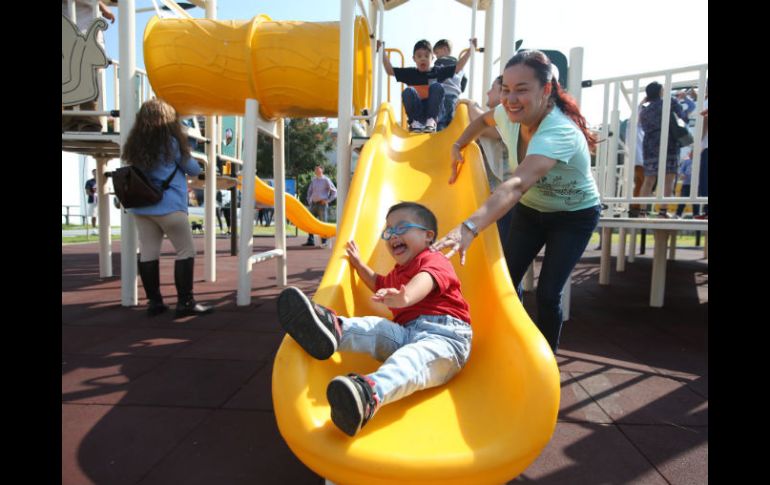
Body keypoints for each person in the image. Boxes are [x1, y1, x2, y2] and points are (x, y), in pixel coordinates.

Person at [433, 50, 602, 352]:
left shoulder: (559, 130)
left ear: (546, 90)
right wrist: (458, 144)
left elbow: (516, 184)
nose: (510, 99)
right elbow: (483, 119)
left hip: (573, 217)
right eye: (506, 89)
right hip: (532, 211)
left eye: (522, 90)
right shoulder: (509, 116)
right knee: (506, 280)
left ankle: (547, 357)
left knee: (549, 293)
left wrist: (469, 227)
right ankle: (515, 340)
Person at [276, 202, 472, 436]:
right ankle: (333, 329)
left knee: (411, 360)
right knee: (376, 327)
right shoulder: (397, 274)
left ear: (428, 236)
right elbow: (377, 283)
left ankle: (368, 395)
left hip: (446, 340)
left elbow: (426, 280)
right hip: (407, 333)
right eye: (388, 232)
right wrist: (359, 265)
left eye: (401, 228)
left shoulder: (434, 259)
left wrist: (406, 296)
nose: (392, 236)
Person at [121, 98, 214, 318]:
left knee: (148, 253)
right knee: (185, 251)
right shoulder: (171, 143)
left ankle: (154, 302)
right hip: (170, 206)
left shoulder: (134, 145)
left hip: (142, 208)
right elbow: (192, 169)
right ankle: (185, 302)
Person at [381, 39, 475, 133]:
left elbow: (457, 68)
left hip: (435, 112)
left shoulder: (437, 71)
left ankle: (432, 121)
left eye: (426, 56)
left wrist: (470, 50)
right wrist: (382, 50)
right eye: (419, 56)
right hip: (419, 112)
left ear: (432, 58)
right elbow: (390, 70)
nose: (423, 58)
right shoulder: (410, 73)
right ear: (414, 59)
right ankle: (415, 123)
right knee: (408, 91)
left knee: (437, 87)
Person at [637, 81, 689, 218]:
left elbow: (642, 126)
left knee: (649, 180)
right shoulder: (669, 102)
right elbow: (684, 118)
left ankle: (642, 212)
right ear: (660, 91)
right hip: (668, 142)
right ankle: (662, 212)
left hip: (649, 144)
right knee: (669, 179)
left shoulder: (644, 109)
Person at [61, 0, 114, 132]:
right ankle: (74, 123)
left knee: (85, 84)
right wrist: (103, 7)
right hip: (74, 36)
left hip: (83, 35)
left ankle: (85, 123)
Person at [432, 39, 469, 131]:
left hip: (443, 95)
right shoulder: (459, 65)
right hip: (455, 97)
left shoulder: (440, 62)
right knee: (451, 119)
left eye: (437, 53)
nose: (436, 56)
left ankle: (439, 134)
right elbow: (464, 80)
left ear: (445, 49)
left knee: (441, 119)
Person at [303, 166, 337, 248]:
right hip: (313, 204)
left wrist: (327, 201)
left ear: (322, 170)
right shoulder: (314, 180)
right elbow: (309, 191)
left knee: (323, 223)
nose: (317, 171)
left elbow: (334, 191)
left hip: (322, 205)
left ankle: (324, 242)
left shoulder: (326, 180)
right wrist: (309, 200)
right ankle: (310, 240)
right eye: (315, 169)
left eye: (318, 169)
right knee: (309, 221)